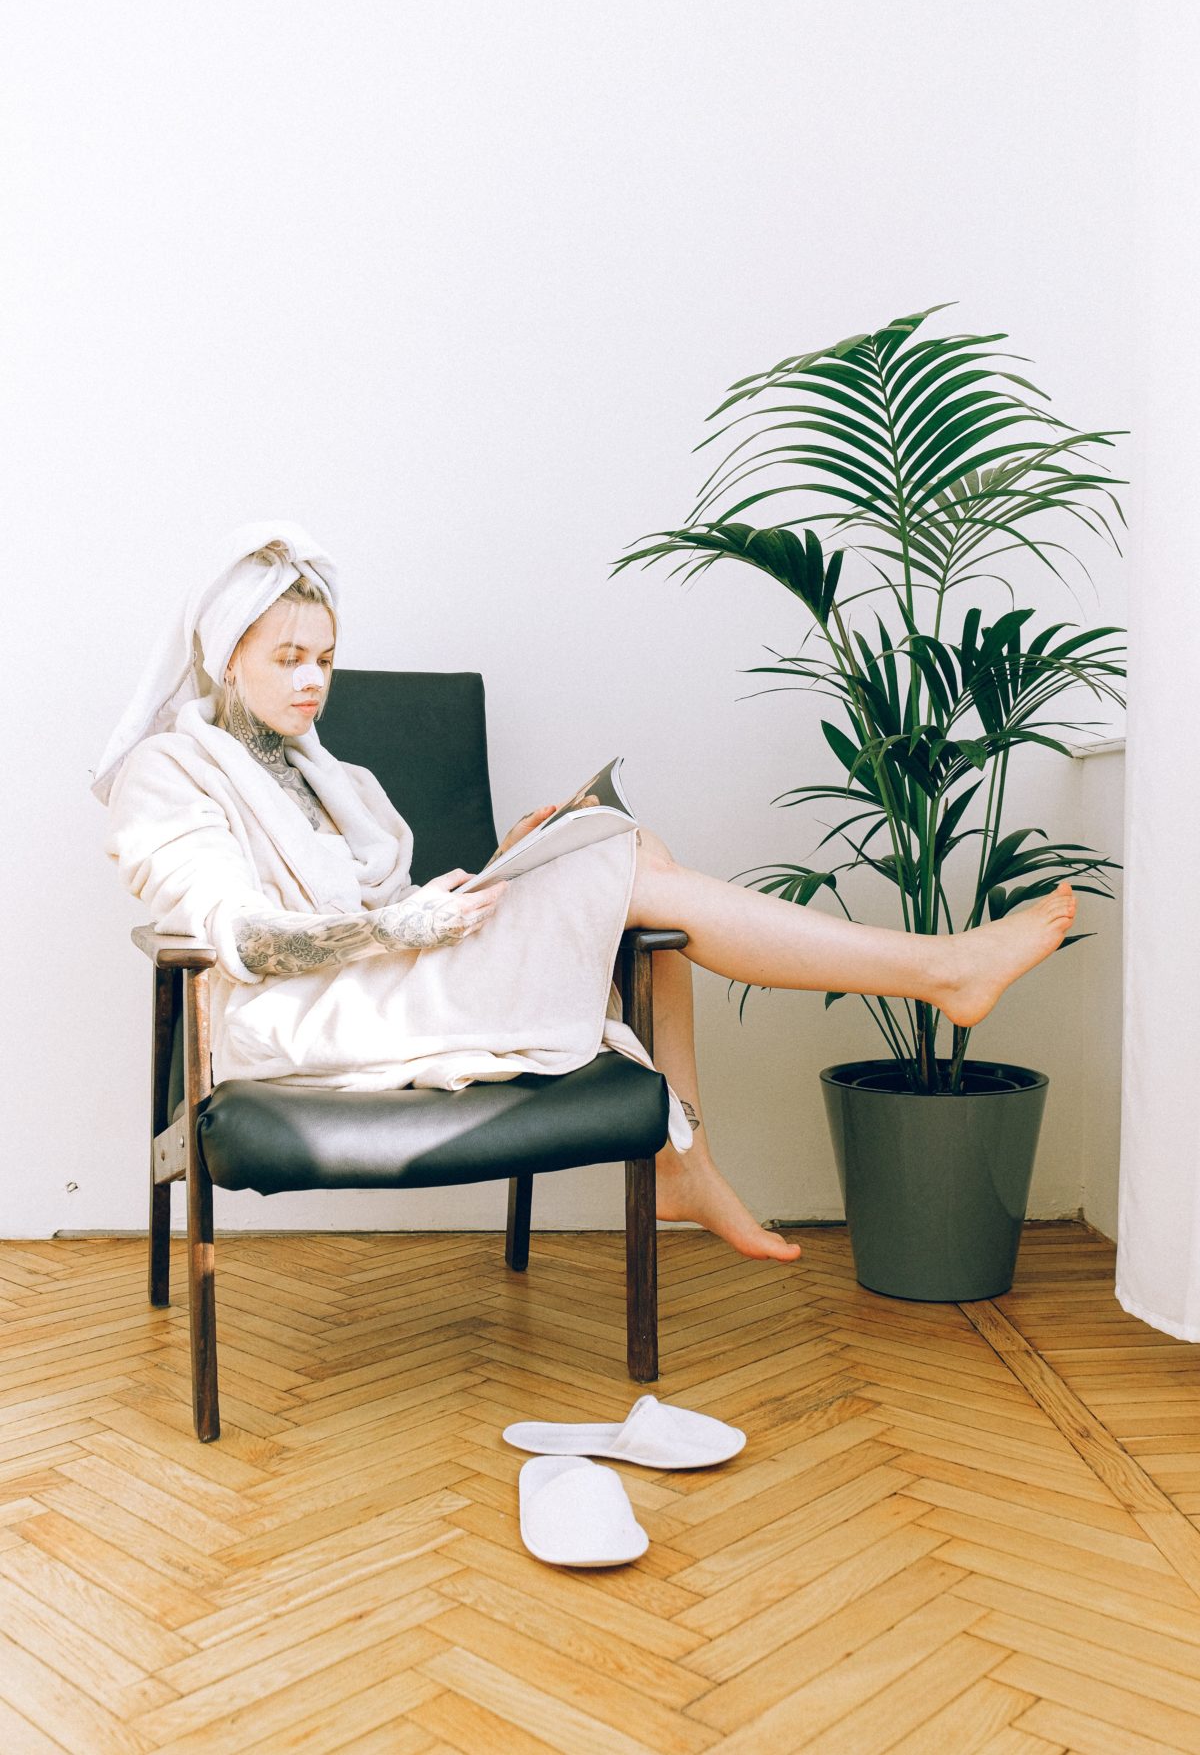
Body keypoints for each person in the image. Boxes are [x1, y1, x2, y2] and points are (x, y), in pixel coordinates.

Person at [94, 522, 1077, 1267]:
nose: (314, 683)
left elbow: (387, 902)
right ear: (226, 654)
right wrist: (402, 921)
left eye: (325, 659)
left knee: (618, 846)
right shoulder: (167, 775)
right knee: (630, 869)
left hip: (388, 981)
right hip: (306, 1020)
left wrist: (498, 869)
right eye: (287, 659)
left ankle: (689, 1154)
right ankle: (934, 975)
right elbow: (252, 942)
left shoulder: (326, 774)